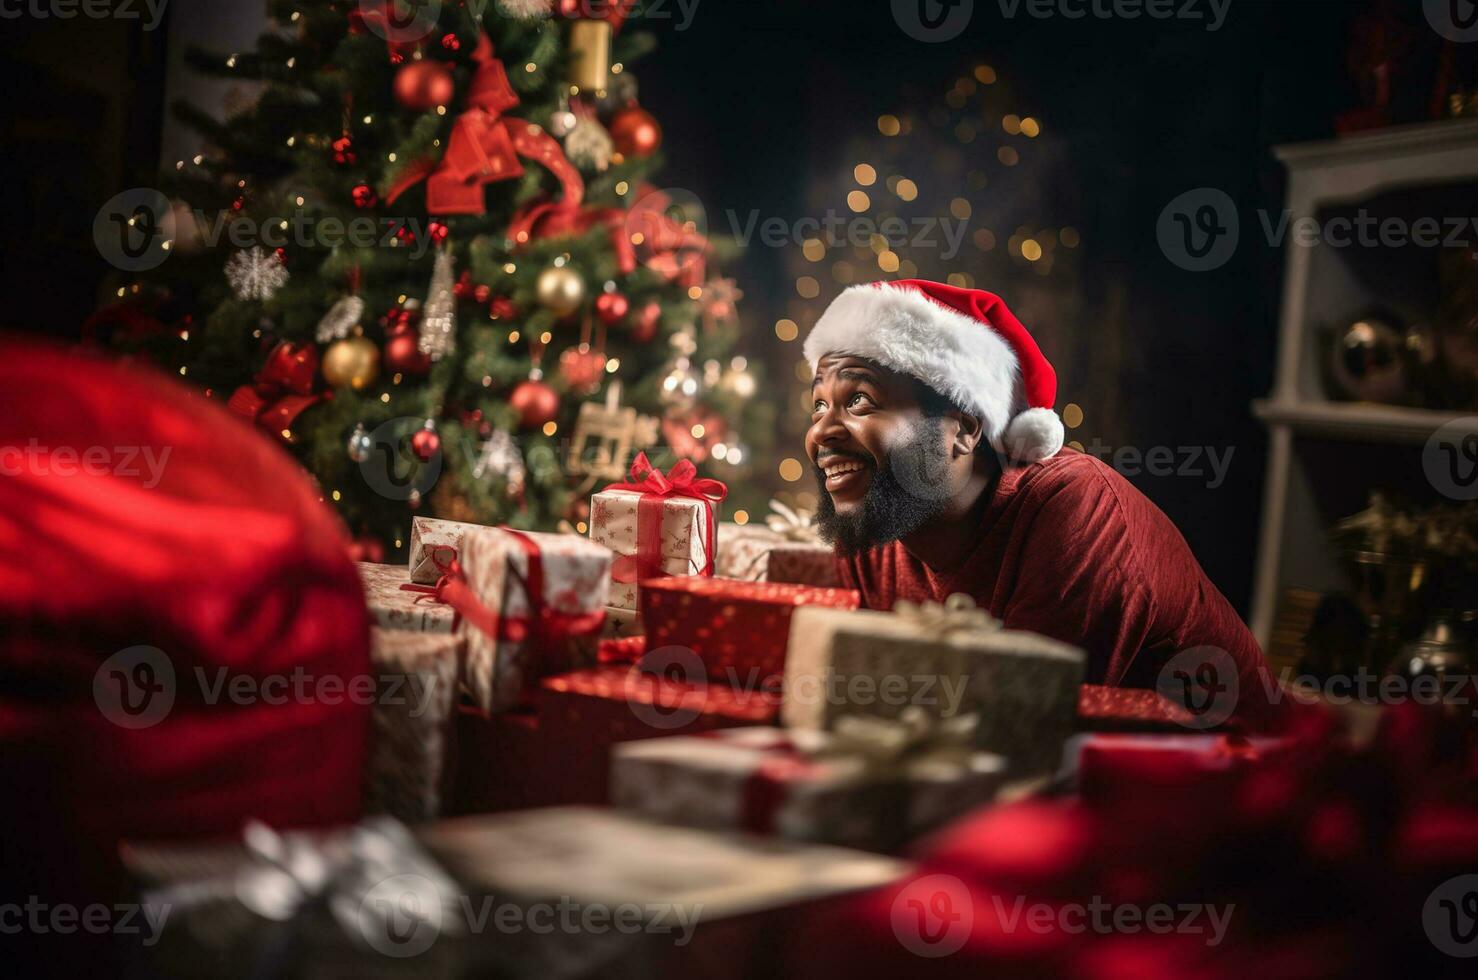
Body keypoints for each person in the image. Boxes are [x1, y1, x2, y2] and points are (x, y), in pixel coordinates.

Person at [802, 279, 1282, 727]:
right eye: (819, 404)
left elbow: (1015, 733)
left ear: (964, 428)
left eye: (860, 400)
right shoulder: (873, 525)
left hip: (1229, 790)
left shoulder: (1072, 511)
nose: (821, 431)